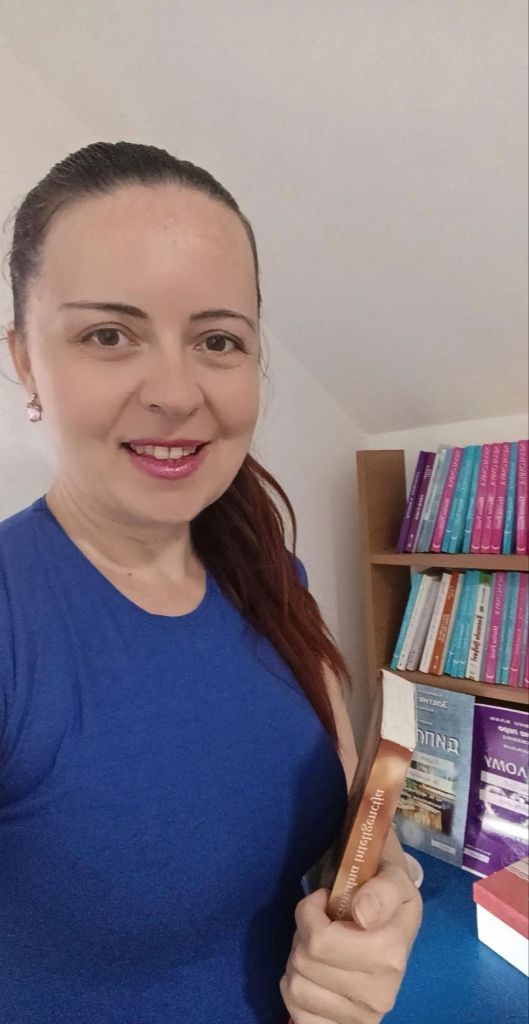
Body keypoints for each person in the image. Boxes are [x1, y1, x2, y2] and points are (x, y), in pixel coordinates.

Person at [0, 141, 421, 1024]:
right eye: (108, 335)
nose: (175, 392)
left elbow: (347, 819)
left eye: (217, 340)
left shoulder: (272, 576)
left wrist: (385, 890)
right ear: (25, 360)